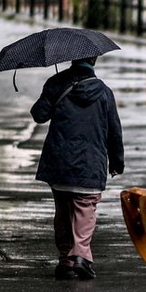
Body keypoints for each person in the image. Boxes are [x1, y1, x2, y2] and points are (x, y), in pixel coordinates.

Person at [31, 56, 124, 280]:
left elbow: (39, 115)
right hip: (90, 163)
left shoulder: (57, 83)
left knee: (63, 211)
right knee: (85, 209)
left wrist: (53, 91)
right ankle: (81, 257)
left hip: (60, 162)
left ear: (71, 58)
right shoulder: (104, 92)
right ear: (94, 59)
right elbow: (114, 131)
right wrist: (116, 162)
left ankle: (65, 260)